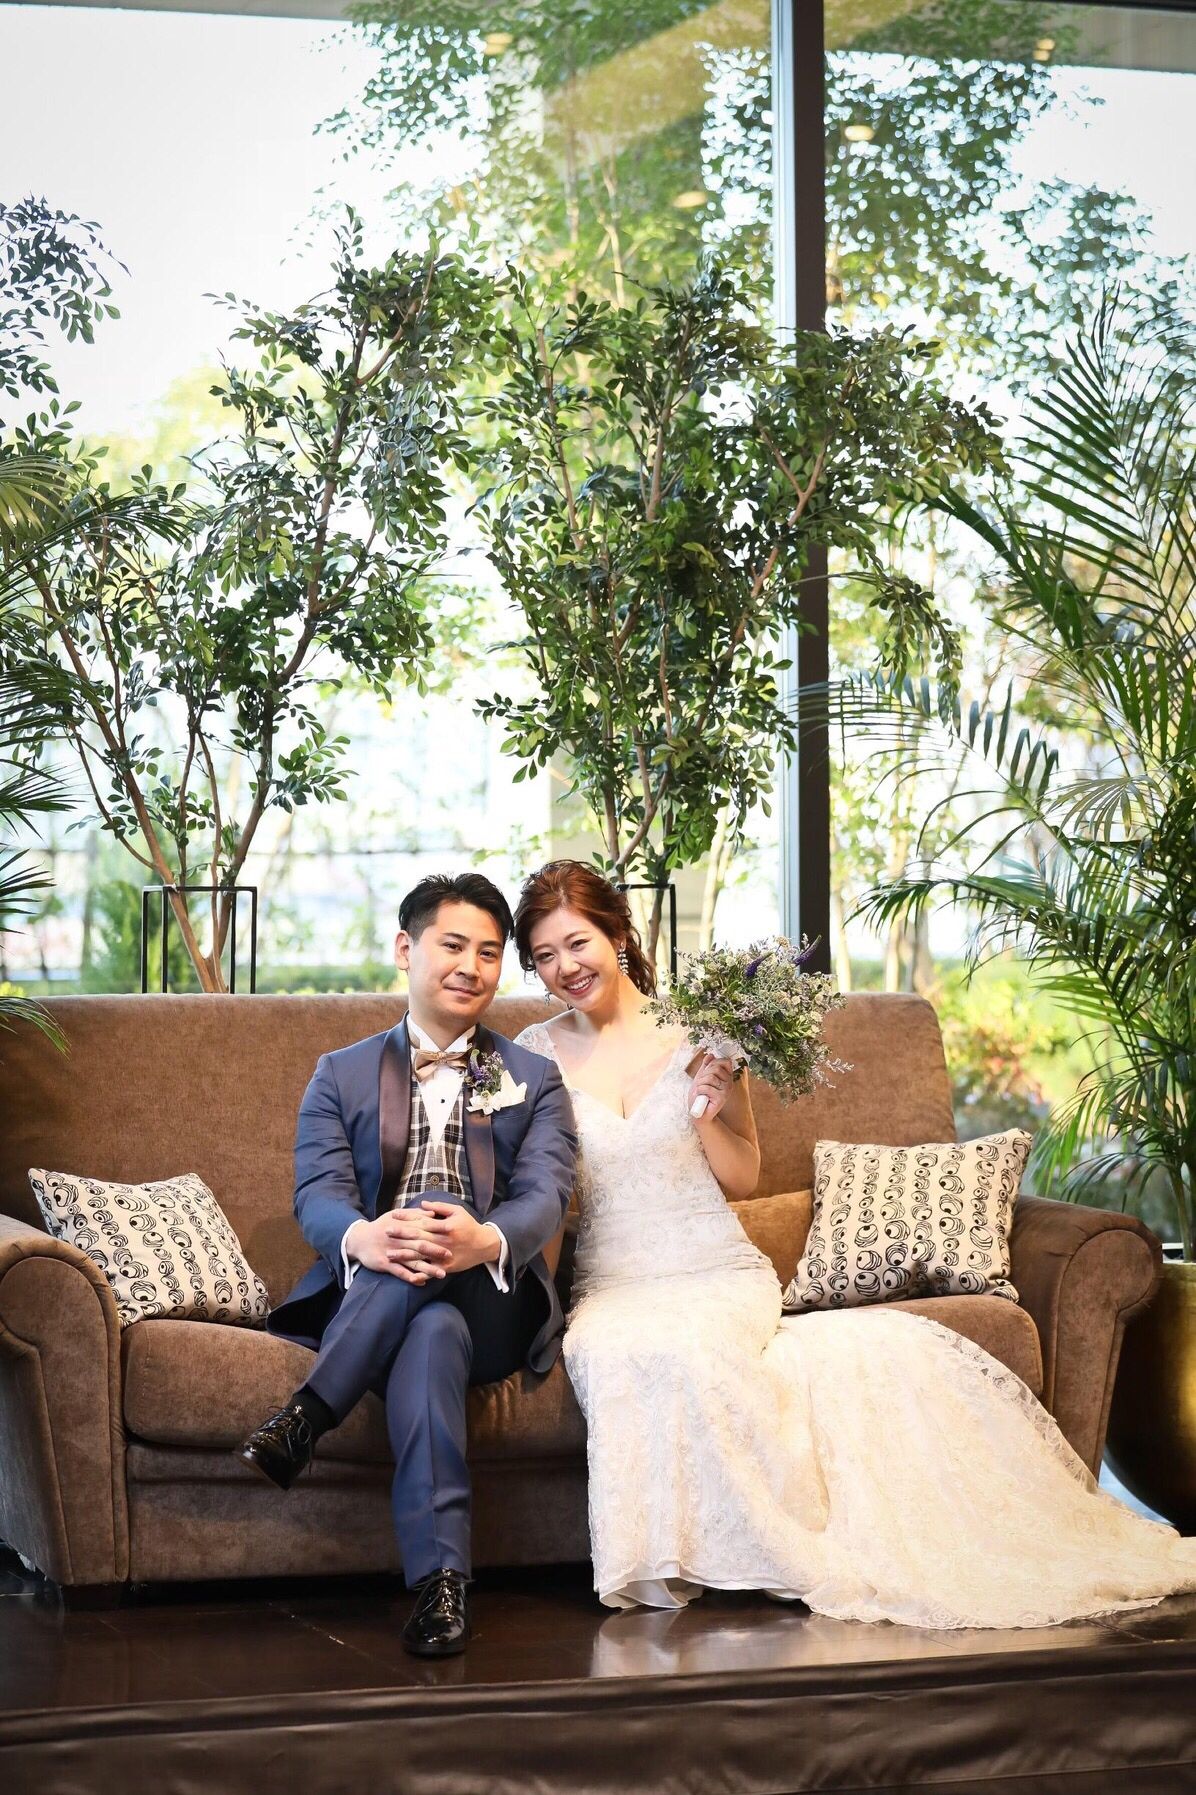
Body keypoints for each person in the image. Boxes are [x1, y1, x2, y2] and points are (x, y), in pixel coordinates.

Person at [513, 859, 1196, 1627]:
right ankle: (662, 1562)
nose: (565, 966)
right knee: (613, 1351)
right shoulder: (532, 1056)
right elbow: (545, 1197)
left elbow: (741, 1177)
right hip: (613, 1281)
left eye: (577, 942)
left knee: (689, 1348)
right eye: (544, 955)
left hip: (712, 1269)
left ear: (617, 933)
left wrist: (707, 1105)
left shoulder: (704, 1029)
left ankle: (765, 1553)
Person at [239, 872, 577, 1656]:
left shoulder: (531, 1077)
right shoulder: (341, 1072)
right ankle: (442, 1587)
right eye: (453, 945)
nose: (471, 966)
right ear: (406, 948)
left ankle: (307, 1414)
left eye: (489, 953)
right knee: (431, 1334)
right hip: (391, 1300)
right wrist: (365, 1237)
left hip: (494, 1301)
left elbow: (546, 1194)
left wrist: (482, 1240)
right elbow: (319, 1196)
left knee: (435, 1217)